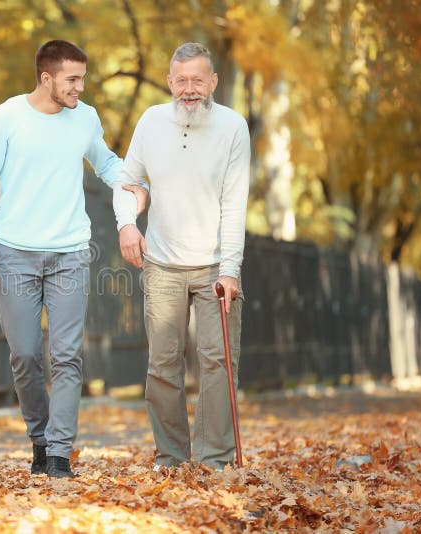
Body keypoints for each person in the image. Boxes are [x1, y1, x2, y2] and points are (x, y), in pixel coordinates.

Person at [0, 40, 147, 478]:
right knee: (25, 354)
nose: (80, 87)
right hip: (14, 252)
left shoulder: (84, 118)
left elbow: (103, 161)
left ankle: (60, 453)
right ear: (46, 78)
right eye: (73, 79)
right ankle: (40, 437)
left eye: (82, 78)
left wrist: (131, 183)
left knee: (67, 356)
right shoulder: (6, 118)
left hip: (70, 253)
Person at [113, 42, 250, 470]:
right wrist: (126, 224)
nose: (190, 89)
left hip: (212, 266)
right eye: (182, 80)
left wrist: (230, 270)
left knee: (218, 363)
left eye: (198, 80)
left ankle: (213, 458)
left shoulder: (233, 127)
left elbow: (235, 203)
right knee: (163, 363)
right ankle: (171, 457)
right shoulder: (151, 121)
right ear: (170, 82)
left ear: (213, 82)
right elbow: (127, 182)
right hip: (163, 264)